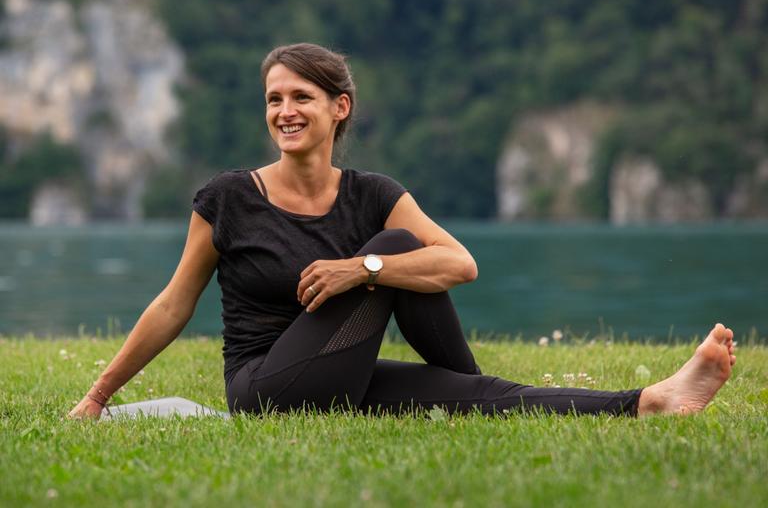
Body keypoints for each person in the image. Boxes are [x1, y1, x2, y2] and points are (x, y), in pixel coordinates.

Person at [68, 43, 737, 420]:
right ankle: (477, 394)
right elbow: (173, 304)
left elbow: (461, 263)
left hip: (342, 377)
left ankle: (651, 401)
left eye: (301, 96)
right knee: (394, 249)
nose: (285, 111)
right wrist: (98, 396)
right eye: (274, 98)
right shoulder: (230, 198)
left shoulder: (373, 193)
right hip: (264, 389)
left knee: (404, 273)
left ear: (340, 108)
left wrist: (363, 272)